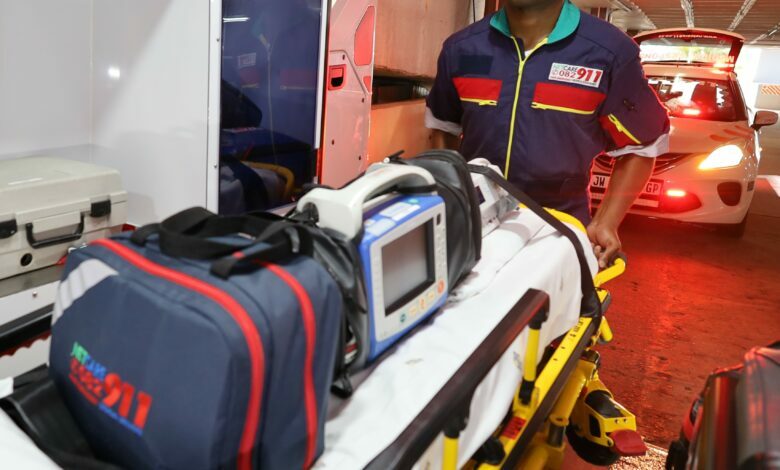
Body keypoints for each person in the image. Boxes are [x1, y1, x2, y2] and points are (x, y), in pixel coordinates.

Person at [426, 0, 670, 268]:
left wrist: (606, 222)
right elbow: (444, 128)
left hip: (559, 229)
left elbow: (643, 145)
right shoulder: (462, 48)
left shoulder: (609, 51)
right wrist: (451, 198)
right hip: (475, 226)